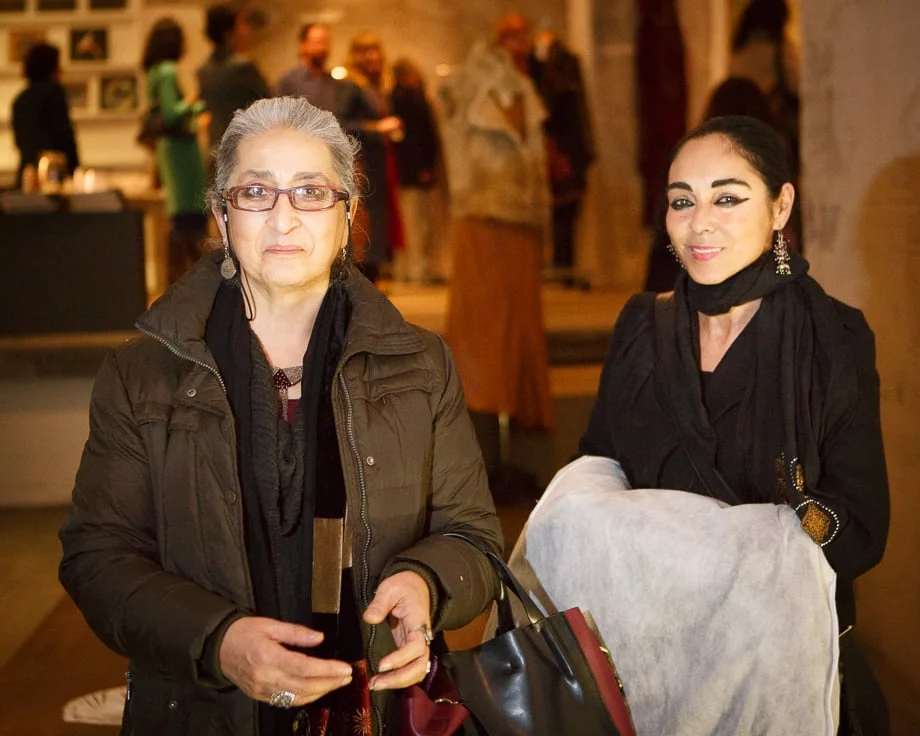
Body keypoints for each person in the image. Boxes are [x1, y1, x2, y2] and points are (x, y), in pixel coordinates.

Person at [59, 96, 502, 735]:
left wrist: (426, 582)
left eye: (311, 192)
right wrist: (219, 641)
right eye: (256, 192)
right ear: (221, 215)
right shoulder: (144, 373)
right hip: (203, 714)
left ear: (348, 215)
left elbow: (475, 538)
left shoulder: (419, 365)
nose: (284, 217)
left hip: (376, 709)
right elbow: (97, 556)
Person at [580, 115, 890, 733]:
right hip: (649, 665)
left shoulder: (833, 338)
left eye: (727, 198)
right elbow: (594, 474)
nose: (700, 223)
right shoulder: (642, 327)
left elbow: (860, 533)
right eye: (681, 201)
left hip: (775, 673)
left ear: (781, 206)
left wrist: (793, 514)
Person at [439, 14, 554, 432]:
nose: (518, 45)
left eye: (523, 36)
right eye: (510, 37)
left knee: (518, 318)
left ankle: (518, 405)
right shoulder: (468, 87)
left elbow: (534, 156)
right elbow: (455, 125)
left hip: (519, 218)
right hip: (481, 215)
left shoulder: (525, 90)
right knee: (482, 317)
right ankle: (478, 407)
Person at [142, 18, 209, 285]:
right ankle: (191, 278)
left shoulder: (153, 72)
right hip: (182, 149)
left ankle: (177, 278)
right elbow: (173, 113)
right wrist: (195, 103)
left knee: (180, 213)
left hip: (168, 148)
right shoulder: (168, 71)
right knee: (190, 213)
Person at [529, 28, 595, 284]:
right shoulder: (553, 71)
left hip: (564, 152)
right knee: (562, 215)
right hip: (564, 151)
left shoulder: (557, 71)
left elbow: (555, 109)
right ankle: (561, 265)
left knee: (565, 214)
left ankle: (563, 266)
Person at [342, 32, 405, 283]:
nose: (371, 57)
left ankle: (373, 282)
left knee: (379, 226)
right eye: (364, 51)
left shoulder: (378, 86)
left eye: (374, 50)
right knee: (365, 226)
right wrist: (377, 128)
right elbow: (342, 123)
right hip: (362, 164)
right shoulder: (351, 85)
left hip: (380, 162)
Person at [389, 57, 441, 284]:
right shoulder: (406, 99)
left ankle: (414, 269)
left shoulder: (402, 98)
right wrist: (424, 166)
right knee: (415, 223)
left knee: (415, 222)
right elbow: (416, 138)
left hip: (411, 171)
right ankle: (418, 270)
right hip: (413, 172)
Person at [197, 3, 270, 156]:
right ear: (228, 33)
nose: (246, 31)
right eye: (241, 26)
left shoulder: (203, 71)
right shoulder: (243, 67)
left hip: (215, 149)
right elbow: (268, 105)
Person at [11, 42, 79, 189]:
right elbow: (64, 134)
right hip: (54, 172)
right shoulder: (54, 92)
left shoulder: (20, 99)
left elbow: (19, 141)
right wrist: (75, 168)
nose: (61, 71)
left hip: (28, 172)